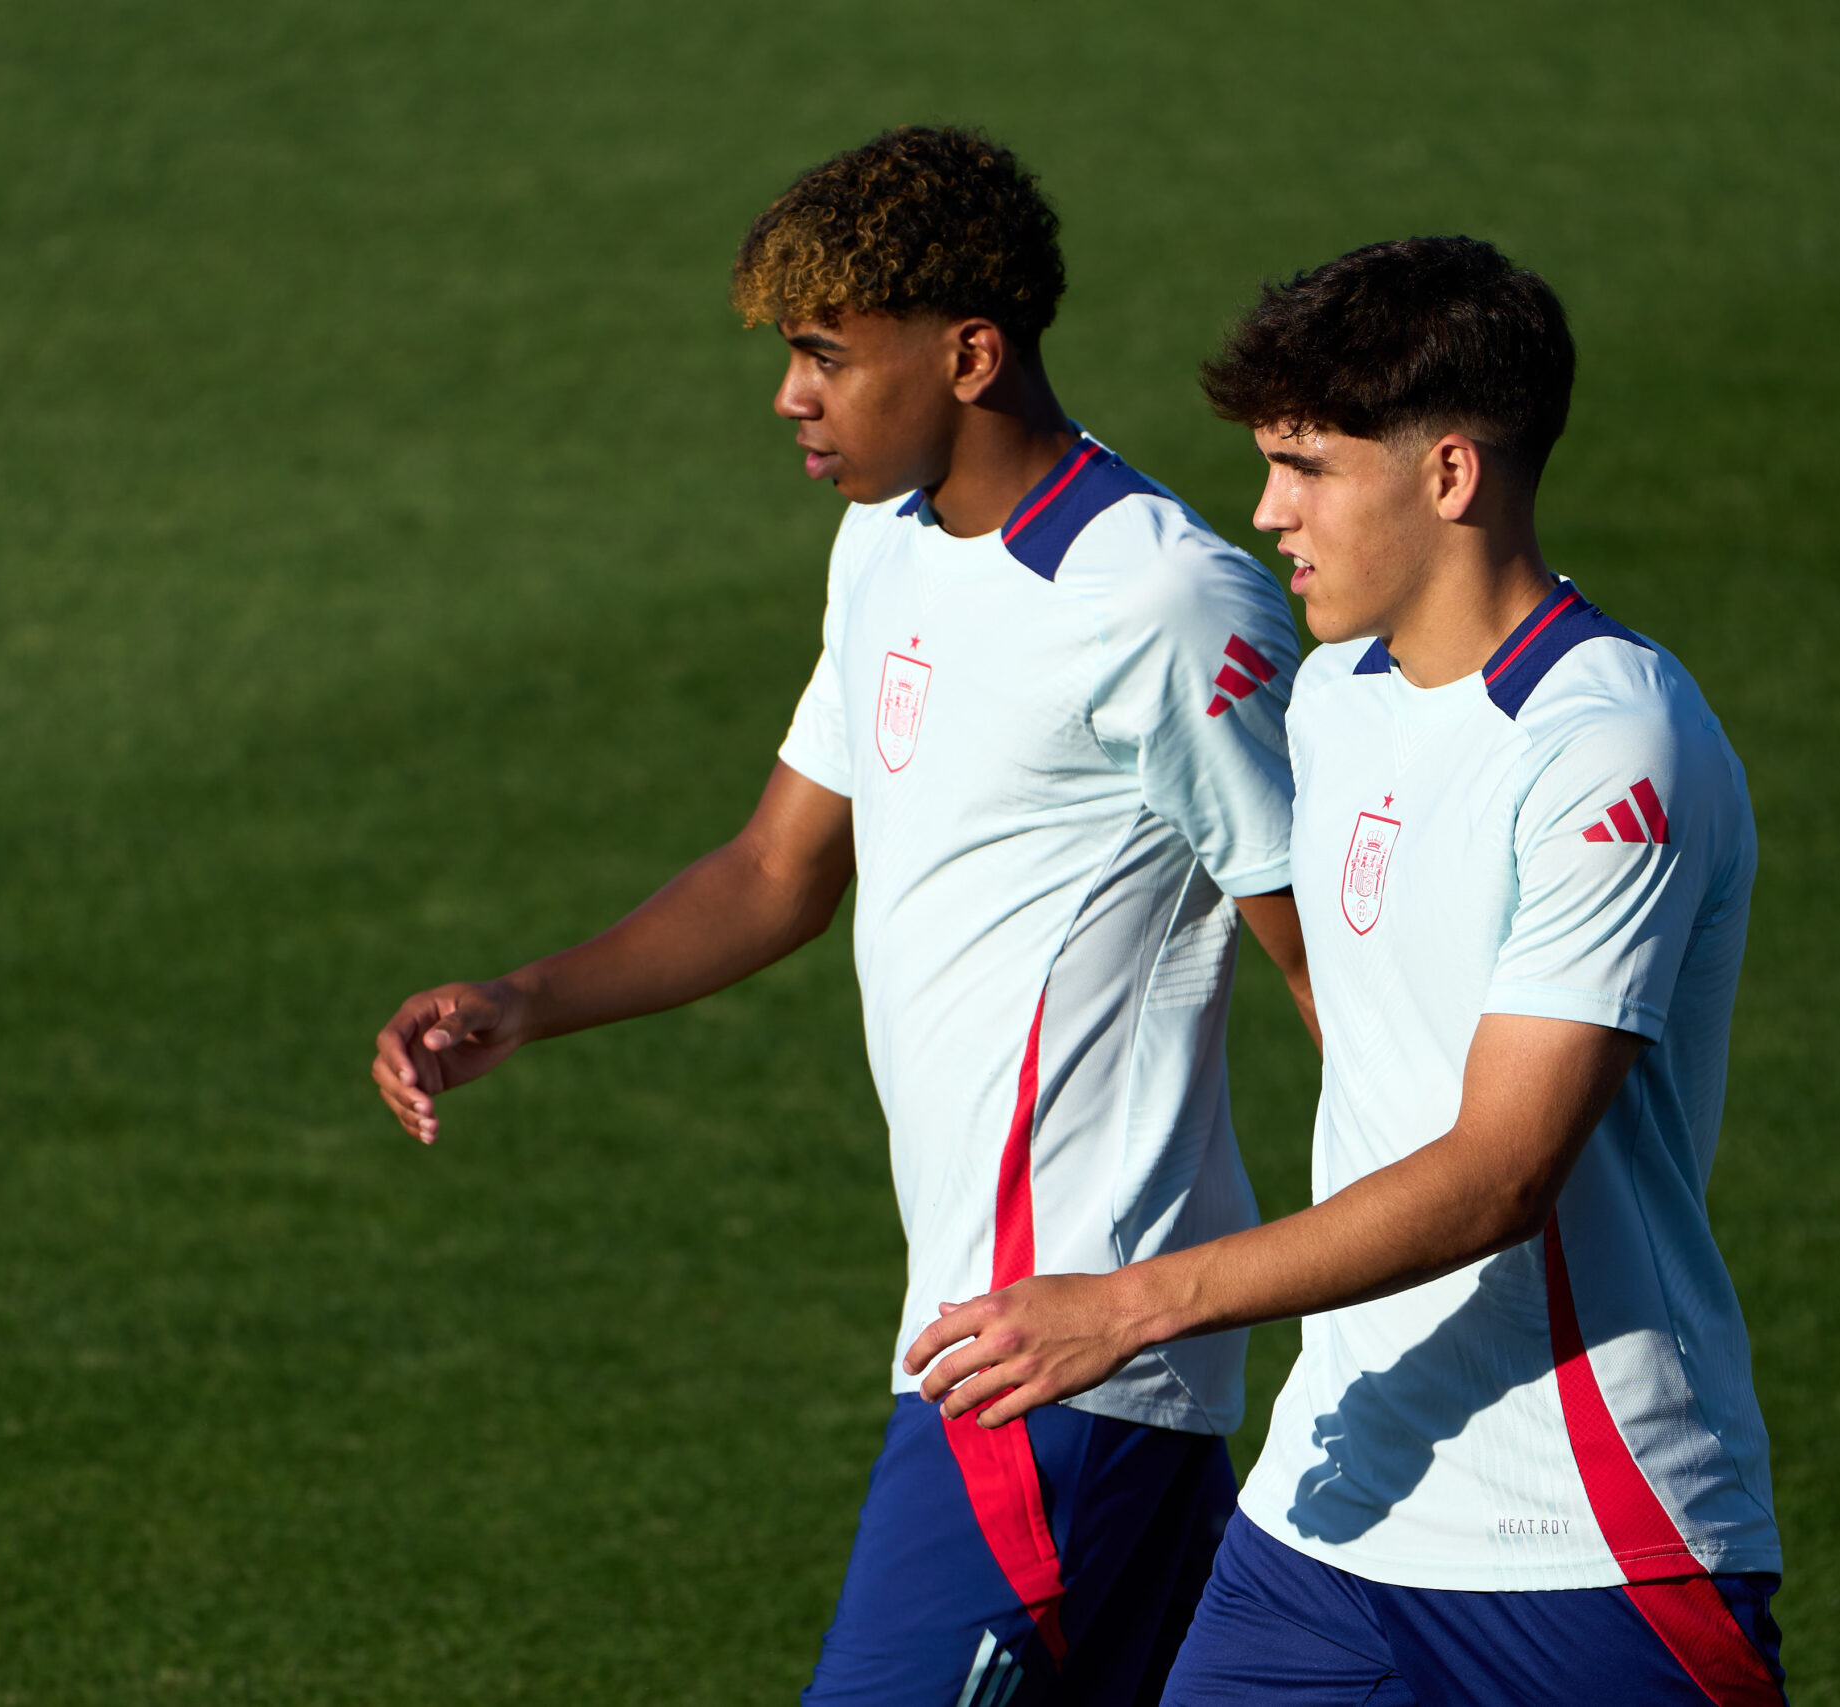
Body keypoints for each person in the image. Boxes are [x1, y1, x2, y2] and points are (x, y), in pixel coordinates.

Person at [368, 126, 1316, 1707]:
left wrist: (1443, 1241)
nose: (788, 397)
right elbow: (776, 872)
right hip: (1006, 1337)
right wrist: (529, 998)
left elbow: (1325, 970)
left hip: (1057, 1350)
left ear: (969, 355)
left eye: (824, 355)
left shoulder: (1159, 604)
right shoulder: (886, 541)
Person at [907, 236, 1787, 1705]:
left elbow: (1502, 1173)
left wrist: (1129, 1305)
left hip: (1589, 1540)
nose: (1269, 512)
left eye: (1306, 466)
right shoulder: (1334, 698)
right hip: (1327, 1516)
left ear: (1449, 474)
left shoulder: (1607, 748)